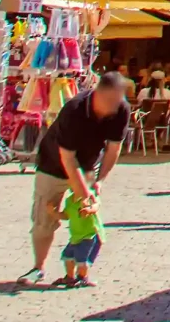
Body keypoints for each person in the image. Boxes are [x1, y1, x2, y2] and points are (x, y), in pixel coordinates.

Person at [20, 74, 129, 286]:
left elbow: (113, 148)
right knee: (44, 219)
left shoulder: (121, 109)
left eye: (116, 102)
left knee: (86, 220)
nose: (111, 108)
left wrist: (99, 181)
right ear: (97, 92)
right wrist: (83, 191)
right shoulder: (74, 109)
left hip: (86, 164)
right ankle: (38, 268)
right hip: (53, 164)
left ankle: (80, 270)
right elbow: (67, 158)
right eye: (108, 101)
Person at [57, 186, 102, 288]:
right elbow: (66, 215)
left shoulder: (89, 197)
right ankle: (70, 277)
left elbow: (96, 206)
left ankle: (82, 278)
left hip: (88, 236)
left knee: (81, 260)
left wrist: (89, 210)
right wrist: (54, 213)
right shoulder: (69, 200)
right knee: (67, 257)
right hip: (75, 235)